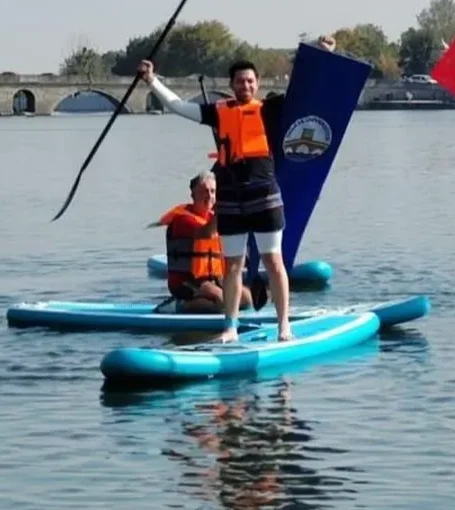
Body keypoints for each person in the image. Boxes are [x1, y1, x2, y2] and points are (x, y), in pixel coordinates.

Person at [136, 36, 337, 343]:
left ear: (257, 84)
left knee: (273, 261)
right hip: (231, 201)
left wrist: (323, 55)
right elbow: (178, 107)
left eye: (250, 81)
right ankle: (230, 328)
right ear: (232, 85)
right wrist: (152, 80)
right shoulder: (218, 112)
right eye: (240, 81)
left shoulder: (271, 109)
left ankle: (284, 326)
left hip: (264, 196)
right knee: (233, 266)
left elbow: (305, 89)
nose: (246, 86)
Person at [149, 171, 260, 314]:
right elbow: (207, 233)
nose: (209, 195)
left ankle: (208, 302)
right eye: (204, 191)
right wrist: (223, 207)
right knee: (223, 303)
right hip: (187, 281)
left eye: (213, 191)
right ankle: (178, 305)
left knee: (246, 299)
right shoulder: (183, 220)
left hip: (213, 279)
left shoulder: (213, 217)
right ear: (193, 196)